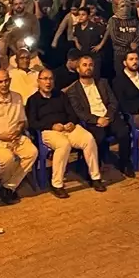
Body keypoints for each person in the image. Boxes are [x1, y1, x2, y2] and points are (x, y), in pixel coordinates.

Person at [26, 67, 104, 197]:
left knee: (88, 139)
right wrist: (51, 126)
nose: (48, 82)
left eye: (50, 79)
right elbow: (33, 123)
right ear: (38, 81)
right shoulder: (33, 100)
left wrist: (71, 123)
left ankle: (95, 177)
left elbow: (72, 113)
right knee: (63, 144)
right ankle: (57, 184)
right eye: (44, 79)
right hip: (49, 131)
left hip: (68, 128)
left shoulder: (61, 95)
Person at [64, 55, 133, 178]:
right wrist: (97, 120)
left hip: (108, 116)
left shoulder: (103, 82)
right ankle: (96, 167)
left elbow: (113, 102)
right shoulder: (73, 90)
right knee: (98, 137)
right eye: (84, 65)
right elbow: (79, 112)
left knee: (124, 131)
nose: (88, 68)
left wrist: (108, 117)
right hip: (92, 121)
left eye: (90, 65)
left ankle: (124, 163)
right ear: (78, 69)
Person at [0, 69, 38, 203]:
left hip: (16, 137)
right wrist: (0, 136)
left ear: (10, 81)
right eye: (0, 82)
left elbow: (22, 121)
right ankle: (6, 185)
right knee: (7, 159)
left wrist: (17, 131)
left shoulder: (17, 97)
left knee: (32, 152)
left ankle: (8, 186)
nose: (4, 84)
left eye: (6, 81)